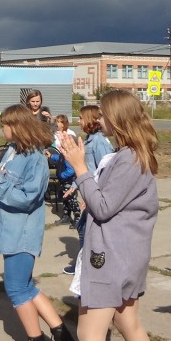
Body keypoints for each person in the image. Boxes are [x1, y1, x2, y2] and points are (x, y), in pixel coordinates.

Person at [59, 90, 159, 341]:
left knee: (90, 335)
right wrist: (87, 187)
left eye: (102, 114)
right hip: (127, 255)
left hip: (111, 256)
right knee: (128, 323)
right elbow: (111, 199)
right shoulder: (131, 154)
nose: (98, 119)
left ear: (117, 118)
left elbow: (103, 207)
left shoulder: (129, 158)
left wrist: (80, 168)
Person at [0, 104, 77, 341]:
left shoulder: (35, 158)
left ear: (17, 127)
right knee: (26, 286)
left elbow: (26, 198)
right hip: (11, 229)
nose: (3, 129)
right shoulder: (13, 151)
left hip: (21, 232)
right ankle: (63, 338)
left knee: (16, 289)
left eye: (5, 125)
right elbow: (4, 183)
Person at [62, 104, 114, 274]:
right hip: (88, 191)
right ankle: (83, 264)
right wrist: (74, 186)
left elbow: (105, 171)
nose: (78, 121)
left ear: (91, 120)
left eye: (81, 118)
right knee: (83, 228)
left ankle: (86, 266)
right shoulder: (89, 140)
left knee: (85, 229)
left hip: (96, 195)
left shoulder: (99, 142)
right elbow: (86, 168)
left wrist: (94, 195)